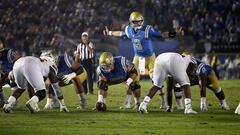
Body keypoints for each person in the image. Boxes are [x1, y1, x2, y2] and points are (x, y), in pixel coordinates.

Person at [103, 11, 184, 109]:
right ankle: (129, 103)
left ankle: (163, 102)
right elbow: (121, 33)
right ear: (132, 22)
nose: (139, 24)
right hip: (137, 57)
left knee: (156, 80)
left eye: (140, 21)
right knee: (132, 79)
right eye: (136, 22)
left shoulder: (147, 30)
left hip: (150, 58)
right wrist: (110, 32)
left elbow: (161, 35)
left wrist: (176, 33)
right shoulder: (129, 30)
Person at [3, 54, 68, 113]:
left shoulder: (39, 61)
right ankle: (31, 103)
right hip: (30, 64)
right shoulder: (51, 64)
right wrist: (62, 104)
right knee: (42, 92)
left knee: (21, 88)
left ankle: (8, 105)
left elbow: (30, 86)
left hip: (18, 63)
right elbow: (56, 87)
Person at [0, 39, 21, 107]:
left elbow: (15, 59)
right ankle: (2, 100)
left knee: (13, 82)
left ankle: (14, 101)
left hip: (11, 72)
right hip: (3, 72)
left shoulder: (8, 52)